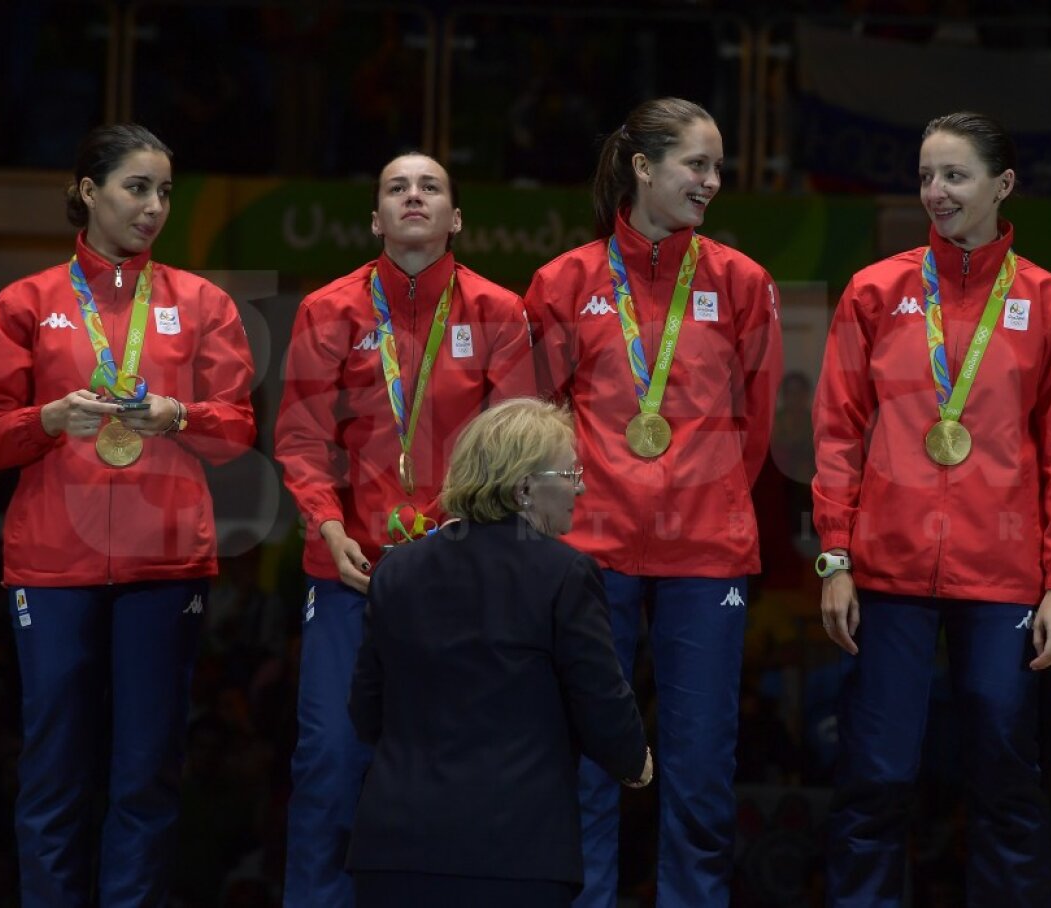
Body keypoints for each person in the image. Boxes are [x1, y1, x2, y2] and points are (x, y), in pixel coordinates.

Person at [812, 111, 1051, 906]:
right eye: (926, 176)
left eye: (955, 176)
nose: (935, 193)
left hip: (1005, 575)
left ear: (1002, 185)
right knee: (874, 778)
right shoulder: (877, 291)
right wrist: (835, 559)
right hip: (888, 570)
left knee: (1007, 779)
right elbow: (836, 434)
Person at [0, 123, 257, 906]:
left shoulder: (203, 303)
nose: (155, 206)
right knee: (55, 771)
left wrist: (179, 415)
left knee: (146, 775)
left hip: (165, 562)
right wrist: (50, 419)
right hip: (53, 564)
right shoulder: (23, 302)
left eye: (165, 191)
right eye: (137, 188)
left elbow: (236, 431)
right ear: (89, 193)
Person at [525, 97, 783, 907]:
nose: (710, 182)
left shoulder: (743, 283)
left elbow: (757, 423)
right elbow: (538, 420)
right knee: (585, 762)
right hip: (589, 551)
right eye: (695, 165)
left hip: (705, 554)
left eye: (716, 169)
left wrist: (698, 499)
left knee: (701, 769)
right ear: (643, 168)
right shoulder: (564, 281)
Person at [275, 152, 533, 907]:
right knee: (328, 758)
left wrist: (467, 539)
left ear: (455, 218)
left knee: (459, 762)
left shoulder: (499, 311)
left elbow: (514, 445)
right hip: (352, 574)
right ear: (376, 220)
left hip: (460, 577)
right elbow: (299, 438)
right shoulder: (330, 310)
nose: (413, 195)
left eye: (430, 187)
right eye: (396, 188)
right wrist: (326, 526)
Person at [347, 397, 652, 907]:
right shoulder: (565, 574)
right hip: (515, 858)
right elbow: (601, 699)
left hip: (393, 852)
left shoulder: (395, 571)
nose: (579, 486)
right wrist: (633, 760)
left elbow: (365, 712)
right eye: (570, 472)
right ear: (524, 487)